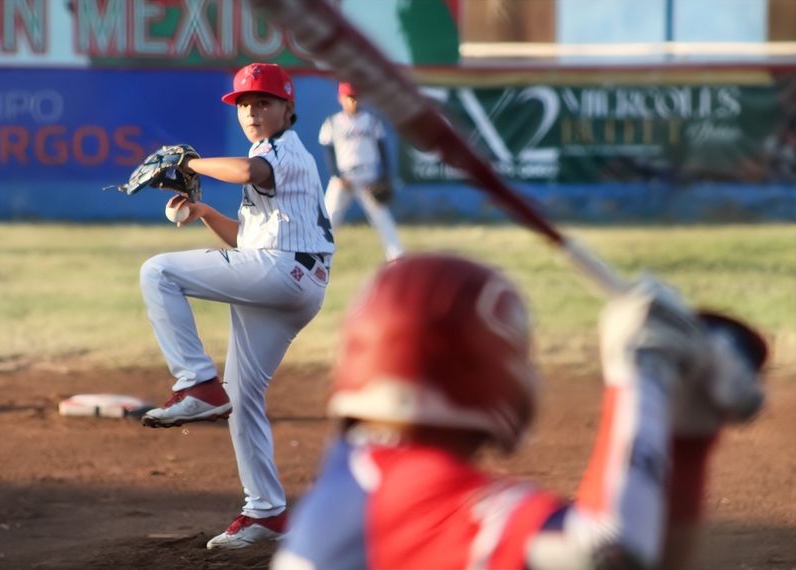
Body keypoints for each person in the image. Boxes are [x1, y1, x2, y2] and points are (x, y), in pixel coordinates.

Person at [272, 253, 766, 569]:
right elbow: (607, 550)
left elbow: (641, 558)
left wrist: (686, 435)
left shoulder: (364, 480)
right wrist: (642, 375)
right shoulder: (408, 495)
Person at [137, 62, 335, 550]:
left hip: (285, 272)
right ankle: (265, 512)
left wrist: (190, 164)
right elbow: (247, 240)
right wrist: (205, 211)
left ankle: (195, 382)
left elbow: (248, 172)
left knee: (158, 271)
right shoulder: (268, 154)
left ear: (288, 109)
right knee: (242, 398)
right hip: (289, 277)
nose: (251, 112)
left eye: (263, 102)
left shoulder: (282, 149)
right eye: (244, 104)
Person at [318, 82, 404, 261]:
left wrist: (384, 175)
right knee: (329, 218)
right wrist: (337, 176)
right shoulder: (333, 122)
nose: (353, 101)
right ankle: (317, 256)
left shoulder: (372, 121)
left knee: (382, 218)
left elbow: (382, 149)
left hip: (368, 176)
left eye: (356, 97)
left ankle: (396, 257)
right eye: (349, 97)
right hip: (343, 178)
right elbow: (328, 151)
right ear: (341, 98)